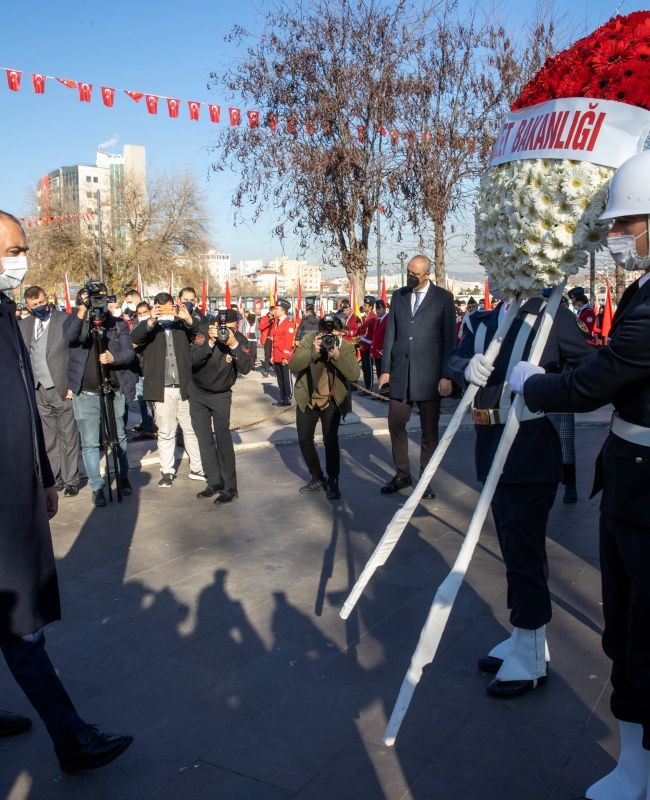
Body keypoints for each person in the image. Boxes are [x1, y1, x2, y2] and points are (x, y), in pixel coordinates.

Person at [509, 149, 650, 799]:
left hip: (646, 490)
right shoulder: (643, 291)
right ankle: (635, 767)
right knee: (624, 628)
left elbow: (600, 381)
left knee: (642, 635)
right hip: (629, 478)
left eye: (628, 225)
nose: (618, 238)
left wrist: (537, 384)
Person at [0, 210, 132, 771]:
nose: (20, 259)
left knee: (14, 619)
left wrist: (47, 477)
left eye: (21, 249)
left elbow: (22, 403)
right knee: (19, 625)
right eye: (11, 250)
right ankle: (71, 738)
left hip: (17, 485)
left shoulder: (7, 312)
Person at [448, 291, 591, 698]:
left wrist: (543, 383)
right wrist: (464, 368)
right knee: (512, 546)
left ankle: (529, 655)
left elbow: (588, 371)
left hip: (529, 450)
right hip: (489, 444)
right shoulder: (484, 319)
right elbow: (456, 356)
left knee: (524, 551)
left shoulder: (552, 316)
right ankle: (526, 636)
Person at [378, 255, 455, 498]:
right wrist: (386, 370)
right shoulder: (399, 296)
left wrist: (446, 375)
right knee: (395, 424)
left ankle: (425, 480)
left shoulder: (443, 299)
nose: (410, 276)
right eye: (408, 271)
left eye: (415, 273)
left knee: (429, 431)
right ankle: (402, 474)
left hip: (430, 376)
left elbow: (449, 341)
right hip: (400, 374)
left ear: (427, 274)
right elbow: (391, 334)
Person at [64, 283, 137, 507]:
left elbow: (129, 353)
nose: (98, 302)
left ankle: (123, 477)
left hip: (113, 389)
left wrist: (114, 358)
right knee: (90, 443)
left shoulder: (117, 324)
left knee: (119, 437)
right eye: (93, 298)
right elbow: (69, 336)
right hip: (85, 392)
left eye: (102, 298)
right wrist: (83, 310)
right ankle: (97, 487)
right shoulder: (76, 319)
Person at [131, 292, 204, 488]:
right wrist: (151, 319)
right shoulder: (150, 328)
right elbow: (134, 337)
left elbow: (200, 333)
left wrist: (187, 317)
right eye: (160, 307)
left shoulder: (182, 325)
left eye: (168, 307)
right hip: (161, 389)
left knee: (190, 430)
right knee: (166, 432)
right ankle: (167, 471)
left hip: (185, 387)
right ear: (154, 307)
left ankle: (197, 468)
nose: (165, 311)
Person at [289, 314, 360, 499]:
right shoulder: (309, 340)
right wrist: (313, 350)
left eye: (334, 334)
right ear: (319, 331)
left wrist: (337, 356)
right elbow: (294, 366)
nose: (330, 338)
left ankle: (333, 480)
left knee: (330, 440)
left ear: (340, 333)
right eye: (325, 333)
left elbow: (353, 374)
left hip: (332, 400)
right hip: (308, 397)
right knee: (304, 439)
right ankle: (317, 476)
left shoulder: (345, 346)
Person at [19, 285, 80, 496]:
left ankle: (71, 478)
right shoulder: (24, 325)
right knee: (48, 437)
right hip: (38, 390)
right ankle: (54, 477)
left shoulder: (64, 320)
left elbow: (75, 355)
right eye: (34, 305)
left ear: (47, 300)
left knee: (68, 435)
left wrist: (73, 385)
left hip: (62, 387)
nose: (40, 307)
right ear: (27, 306)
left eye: (42, 302)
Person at [189, 309, 253, 504]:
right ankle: (214, 482)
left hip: (221, 394)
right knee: (204, 438)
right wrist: (210, 341)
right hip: (198, 392)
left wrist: (232, 344)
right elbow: (193, 359)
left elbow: (246, 367)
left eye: (229, 327)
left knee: (223, 440)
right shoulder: (204, 332)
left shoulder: (240, 340)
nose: (224, 330)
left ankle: (230, 487)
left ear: (236, 326)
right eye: (221, 327)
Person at [131, 300, 156, 437]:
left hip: (151, 367)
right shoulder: (136, 326)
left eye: (145, 312)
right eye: (139, 313)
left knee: (151, 401)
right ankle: (147, 424)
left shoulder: (153, 325)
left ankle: (151, 426)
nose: (142, 315)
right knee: (142, 400)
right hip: (139, 368)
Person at [271, 299, 295, 406]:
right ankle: (282, 397)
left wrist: (285, 357)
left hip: (283, 355)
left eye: (277, 309)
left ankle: (288, 398)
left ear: (283, 310)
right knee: (280, 378)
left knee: (286, 377)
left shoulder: (289, 324)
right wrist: (272, 355)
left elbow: (288, 342)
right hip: (276, 354)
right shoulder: (276, 322)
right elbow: (274, 340)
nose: (275, 311)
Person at [358, 295, 377, 391]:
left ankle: (369, 389)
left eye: (365, 305)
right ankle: (366, 387)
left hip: (369, 347)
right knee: (364, 368)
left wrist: (363, 340)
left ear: (370, 306)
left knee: (369, 369)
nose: (363, 307)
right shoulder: (364, 317)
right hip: (363, 347)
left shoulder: (373, 318)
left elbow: (373, 335)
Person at [371, 299, 389, 396]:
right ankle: (382, 391)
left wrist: (384, 349)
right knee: (378, 372)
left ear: (385, 308)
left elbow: (388, 336)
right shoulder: (378, 320)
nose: (378, 311)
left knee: (384, 372)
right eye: (377, 309)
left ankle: (386, 392)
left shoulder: (388, 319)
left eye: (380, 309)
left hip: (383, 352)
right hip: (377, 352)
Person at [258, 305, 275, 376]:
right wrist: (269, 322)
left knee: (274, 354)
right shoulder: (264, 318)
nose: (275, 312)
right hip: (267, 339)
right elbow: (261, 327)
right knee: (267, 355)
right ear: (270, 311)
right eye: (274, 311)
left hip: (274, 339)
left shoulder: (276, 318)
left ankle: (274, 370)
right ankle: (266, 370)